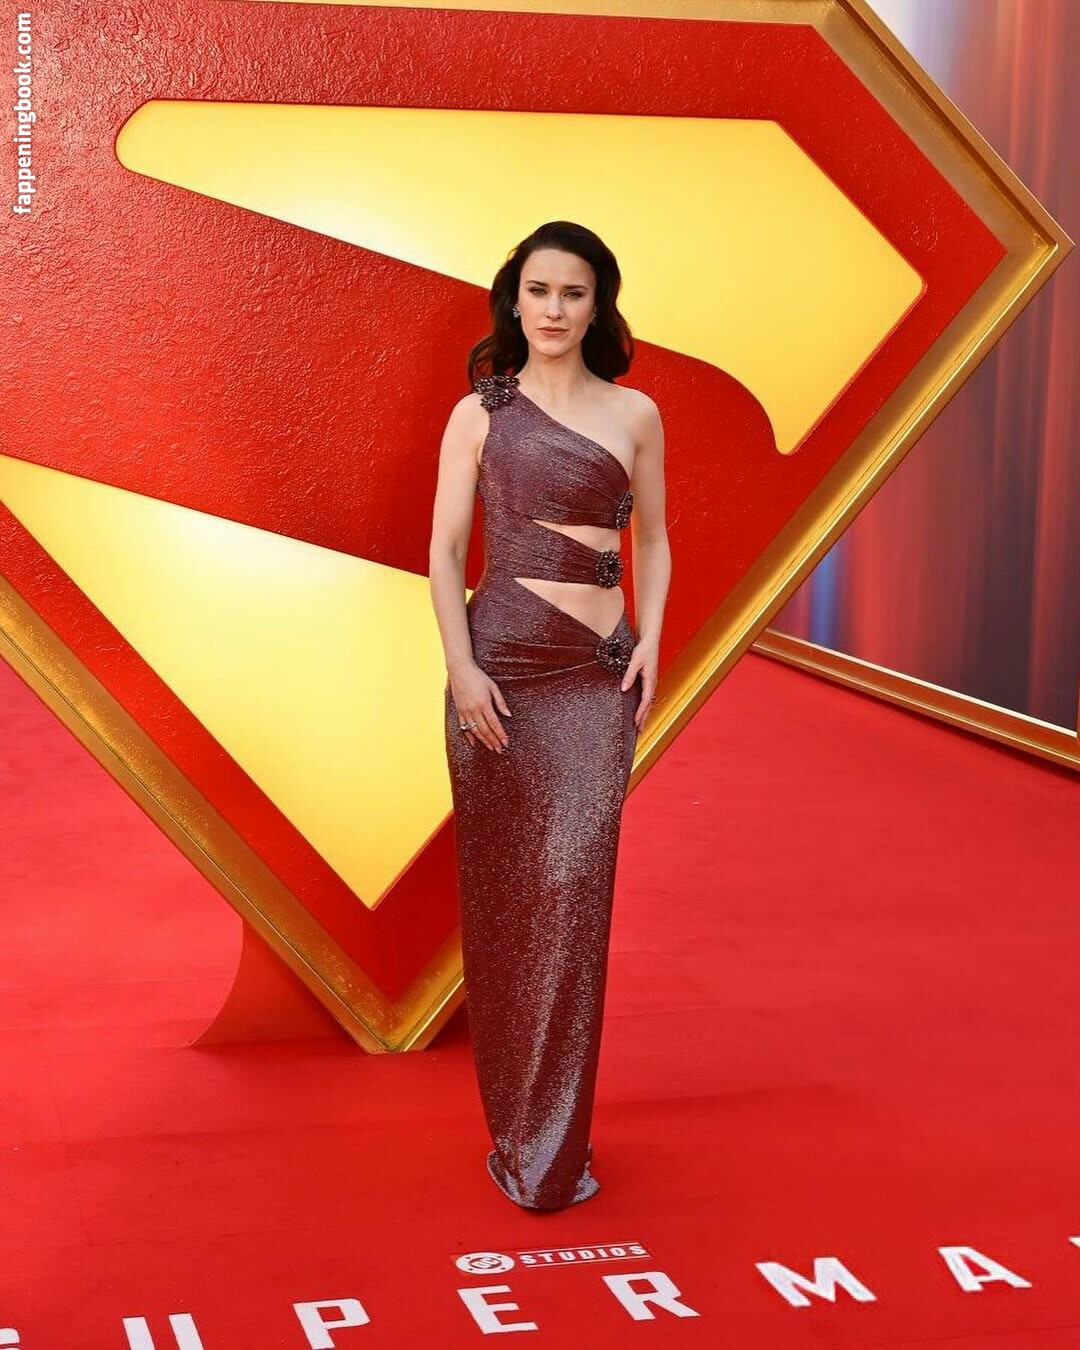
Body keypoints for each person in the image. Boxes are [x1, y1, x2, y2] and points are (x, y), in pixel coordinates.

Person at [428, 220, 671, 1209]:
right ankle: (521, 1136)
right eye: (539, 290)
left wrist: (653, 637)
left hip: (595, 680)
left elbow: (655, 539)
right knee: (505, 910)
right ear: (515, 299)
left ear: (598, 303)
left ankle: (553, 1144)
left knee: (573, 898)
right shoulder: (478, 414)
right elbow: (446, 552)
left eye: (574, 292)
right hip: (499, 678)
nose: (555, 309)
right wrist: (460, 669)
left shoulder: (636, 413)